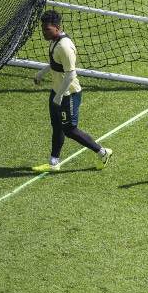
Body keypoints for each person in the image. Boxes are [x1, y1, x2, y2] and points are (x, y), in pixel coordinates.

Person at [31, 10, 112, 172]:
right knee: (57, 126)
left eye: (47, 29)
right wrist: (40, 74)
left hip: (69, 94)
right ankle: (54, 162)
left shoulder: (65, 47)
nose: (44, 32)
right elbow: (55, 63)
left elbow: (70, 75)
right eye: (43, 29)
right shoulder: (55, 41)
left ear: (57, 27)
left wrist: (59, 97)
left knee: (69, 129)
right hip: (57, 92)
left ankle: (103, 152)